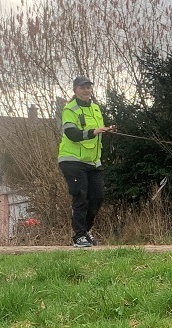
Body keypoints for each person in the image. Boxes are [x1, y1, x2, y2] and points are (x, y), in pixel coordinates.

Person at [58, 76, 116, 247]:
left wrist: (107, 130)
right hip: (72, 160)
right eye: (82, 88)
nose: (86, 90)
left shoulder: (96, 109)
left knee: (97, 197)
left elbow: (97, 133)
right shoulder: (70, 109)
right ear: (75, 90)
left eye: (89, 87)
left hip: (92, 161)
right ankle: (79, 236)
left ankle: (86, 231)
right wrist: (93, 132)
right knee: (80, 196)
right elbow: (71, 134)